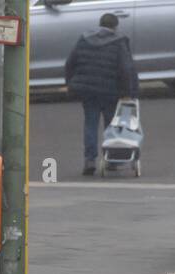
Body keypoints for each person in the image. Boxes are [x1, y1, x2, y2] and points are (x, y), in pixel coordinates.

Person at [64, 13, 139, 176]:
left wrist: (70, 83)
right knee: (110, 125)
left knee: (90, 123)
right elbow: (126, 69)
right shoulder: (119, 42)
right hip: (110, 91)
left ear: (100, 24)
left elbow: (70, 62)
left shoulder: (84, 39)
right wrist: (128, 92)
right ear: (115, 26)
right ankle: (110, 159)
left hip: (88, 90)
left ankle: (89, 160)